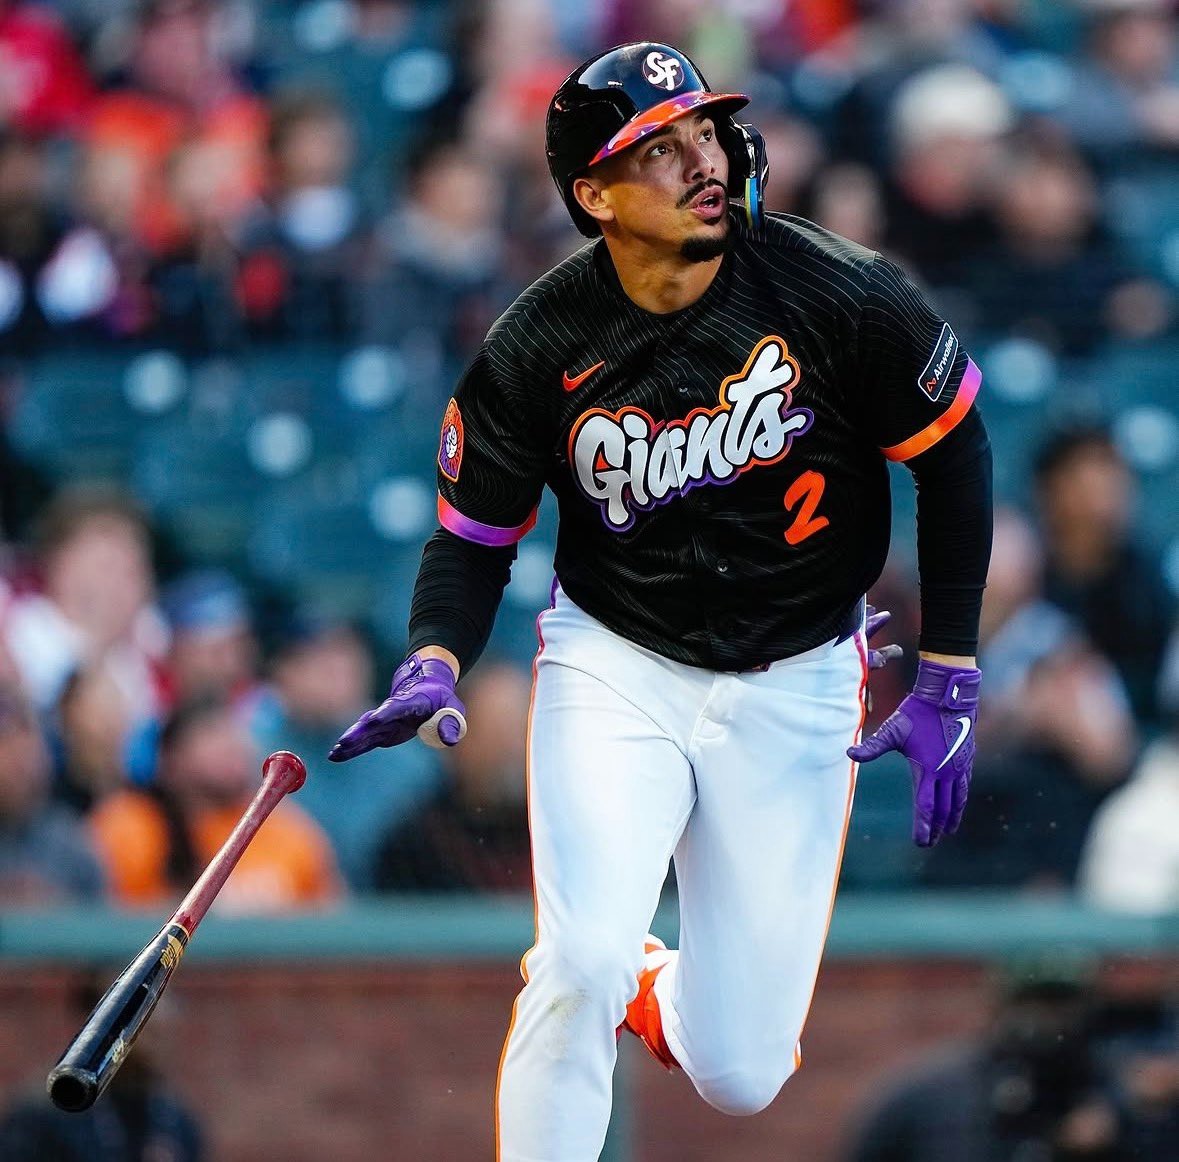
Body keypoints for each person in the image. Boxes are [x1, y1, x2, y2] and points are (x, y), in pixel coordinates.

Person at [330, 42, 992, 1161]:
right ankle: (596, 962)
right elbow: (472, 541)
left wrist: (951, 665)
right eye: (658, 149)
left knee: (740, 1072)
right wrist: (435, 654)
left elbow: (955, 453)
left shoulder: (834, 287)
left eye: (703, 133)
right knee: (574, 963)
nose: (701, 162)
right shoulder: (539, 341)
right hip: (618, 660)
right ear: (594, 195)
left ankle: (629, 969)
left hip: (799, 672)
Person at [90, 693, 342, 913]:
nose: (230, 746)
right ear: (171, 759)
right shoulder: (130, 825)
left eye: (234, 733)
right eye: (211, 734)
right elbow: (106, 917)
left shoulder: (287, 830)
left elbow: (331, 917)